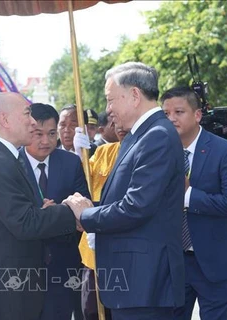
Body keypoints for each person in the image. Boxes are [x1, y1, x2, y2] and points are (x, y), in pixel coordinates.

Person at [64, 62, 185, 320]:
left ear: (134, 95)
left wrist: (87, 216)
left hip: (145, 280)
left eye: (110, 100)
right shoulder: (139, 135)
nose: (108, 110)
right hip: (133, 280)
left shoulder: (157, 136)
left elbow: (136, 206)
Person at [0, 92, 78, 320]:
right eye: (26, 114)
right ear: (4, 120)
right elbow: (25, 223)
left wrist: (39, 211)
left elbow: (14, 215)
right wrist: (72, 209)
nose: (32, 121)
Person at [161, 86, 227, 320]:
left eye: (179, 112)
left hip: (215, 260)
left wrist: (187, 195)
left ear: (197, 115)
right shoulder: (158, 151)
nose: (171, 119)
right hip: (174, 262)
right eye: (166, 113)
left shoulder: (224, 150)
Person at [18, 102, 90, 320]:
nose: (46, 141)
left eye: (51, 133)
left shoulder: (70, 163)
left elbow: (82, 205)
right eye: (38, 134)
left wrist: (57, 212)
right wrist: (40, 214)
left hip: (63, 264)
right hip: (22, 266)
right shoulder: (11, 164)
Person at [75, 121, 128, 320]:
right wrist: (78, 156)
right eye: (114, 120)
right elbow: (82, 182)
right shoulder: (103, 152)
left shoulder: (148, 153)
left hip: (125, 250)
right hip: (94, 252)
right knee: (92, 310)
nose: (119, 125)